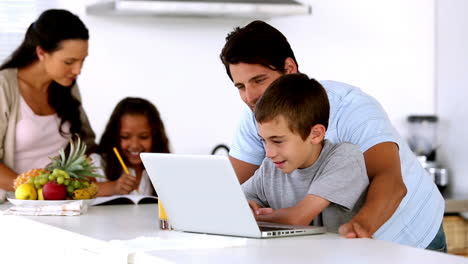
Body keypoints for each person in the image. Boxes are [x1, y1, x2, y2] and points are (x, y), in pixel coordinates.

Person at [220, 20, 446, 251]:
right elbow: (225, 186)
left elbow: (390, 181)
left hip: (407, 235)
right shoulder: (256, 118)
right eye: (240, 86)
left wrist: (359, 228)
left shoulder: (351, 108)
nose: (250, 96)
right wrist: (242, 207)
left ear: (289, 69)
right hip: (340, 246)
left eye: (259, 80)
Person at [243, 73, 369, 233]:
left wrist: (254, 217)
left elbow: (297, 218)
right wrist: (248, 207)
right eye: (264, 140)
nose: (269, 153)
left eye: (277, 141)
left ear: (315, 134)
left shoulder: (345, 158)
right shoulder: (271, 166)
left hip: (339, 257)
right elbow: (234, 202)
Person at [0, 9, 96, 195]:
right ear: (41, 52)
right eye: (69, 62)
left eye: (82, 61)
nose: (78, 70)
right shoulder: (4, 87)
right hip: (13, 206)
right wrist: (37, 191)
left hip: (60, 203)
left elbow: (87, 144)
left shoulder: (67, 86)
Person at [92, 97, 170, 197]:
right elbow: (77, 191)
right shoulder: (98, 163)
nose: (135, 145)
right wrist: (113, 187)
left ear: (155, 137)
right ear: (114, 136)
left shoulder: (164, 167)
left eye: (143, 137)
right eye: (125, 137)